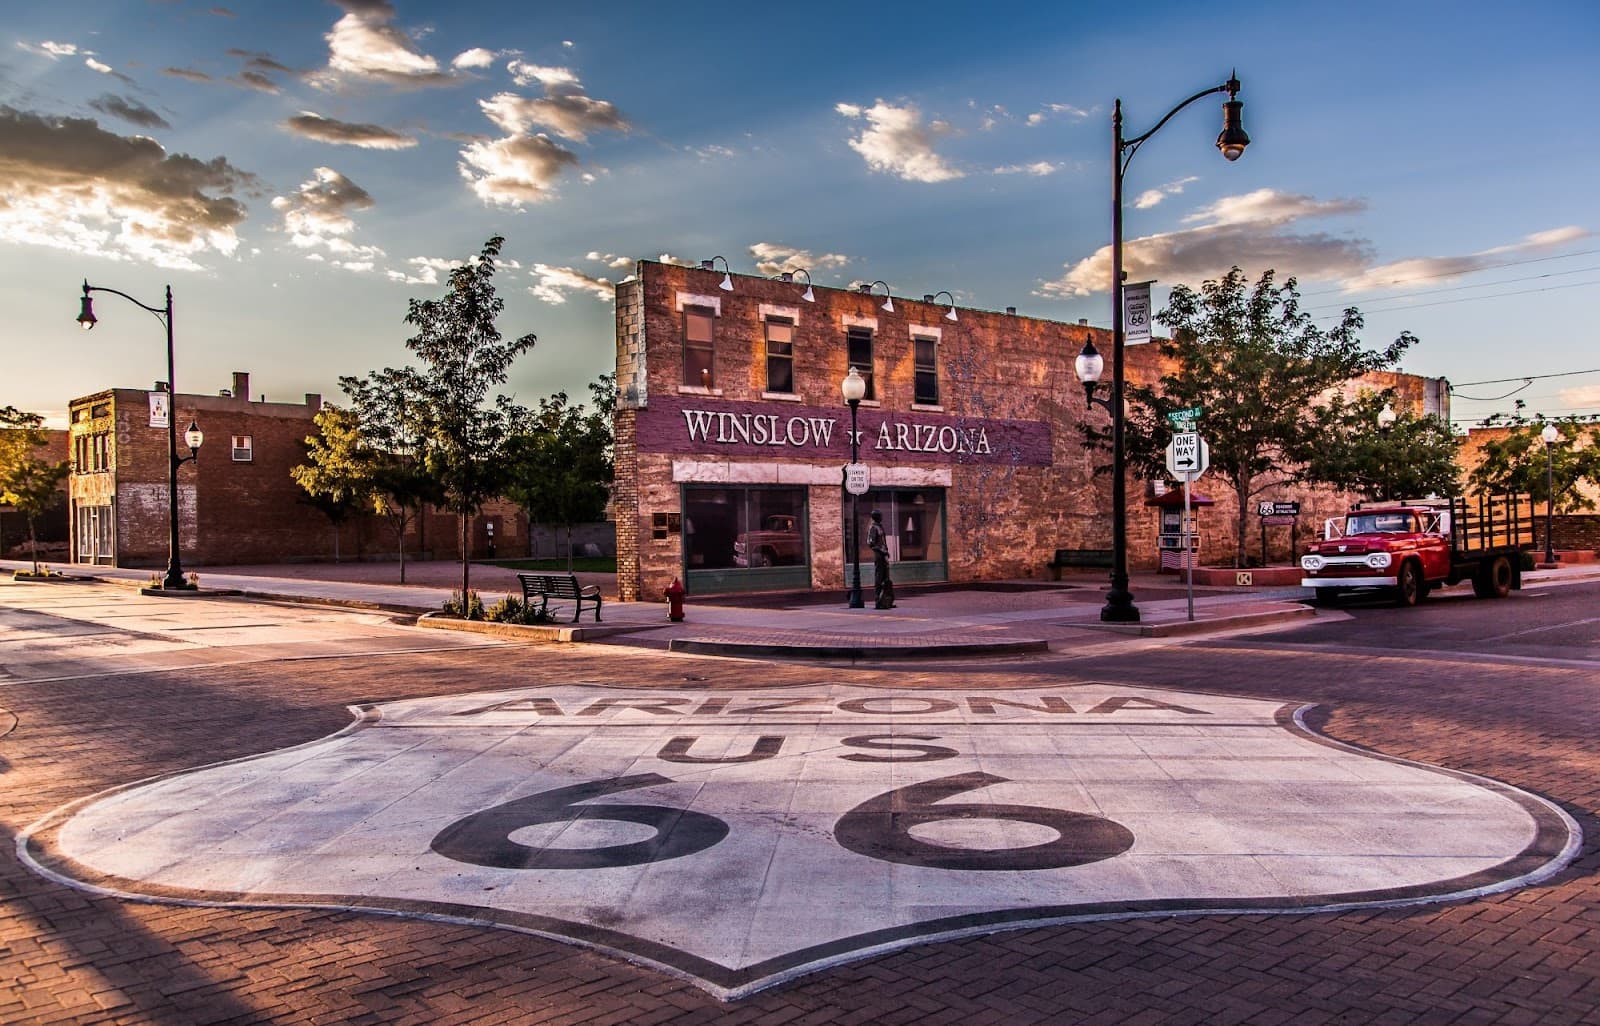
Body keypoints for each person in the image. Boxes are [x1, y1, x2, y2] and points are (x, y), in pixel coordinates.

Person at [867, 509, 894, 609]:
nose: (882, 517)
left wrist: (886, 552)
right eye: (880, 515)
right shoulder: (873, 528)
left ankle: (887, 600)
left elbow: (883, 542)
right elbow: (871, 543)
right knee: (879, 577)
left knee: (886, 577)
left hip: (884, 554)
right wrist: (882, 552)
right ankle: (878, 600)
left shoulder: (880, 526)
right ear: (876, 517)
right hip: (879, 555)